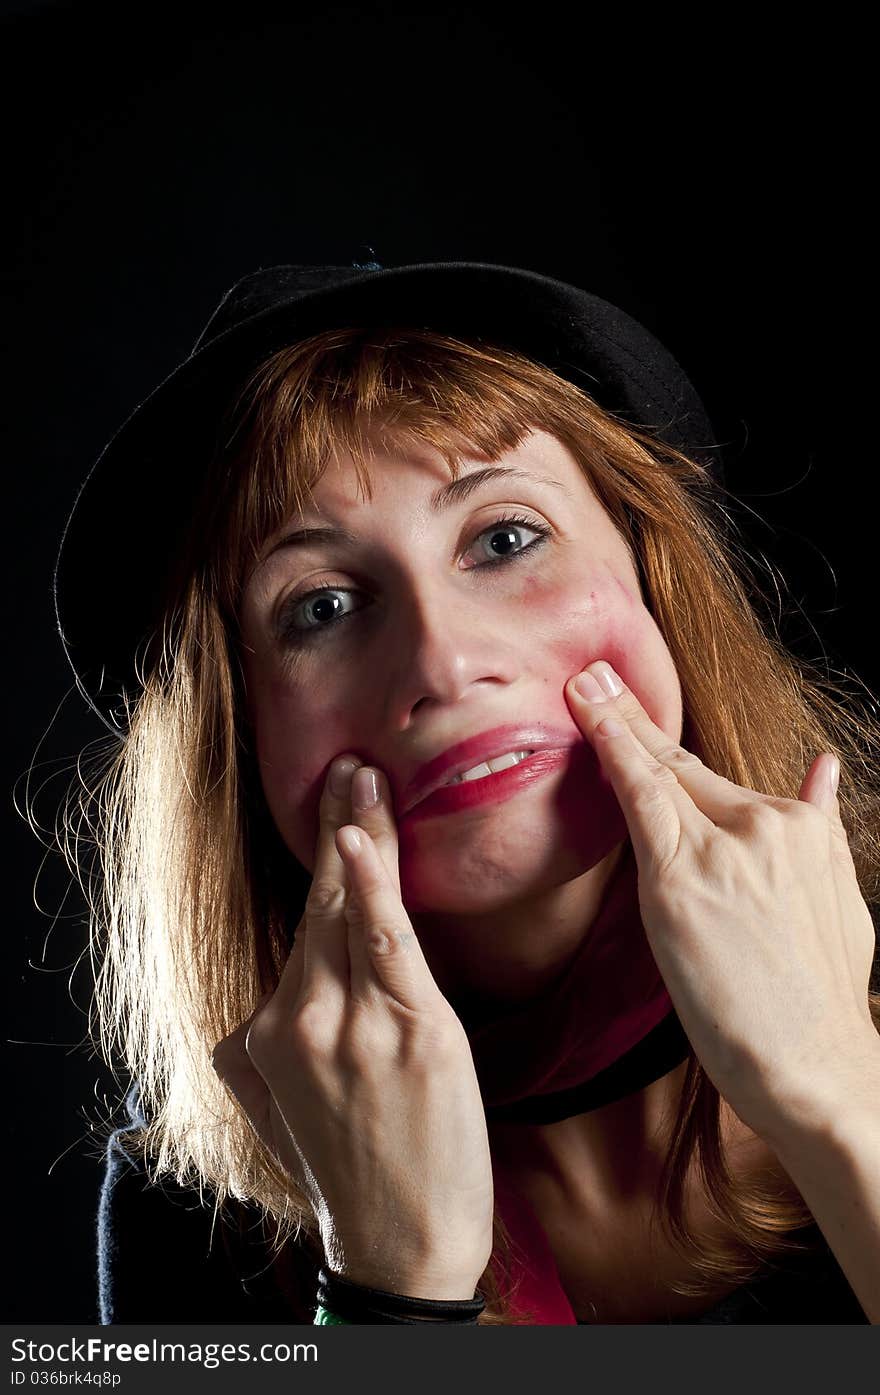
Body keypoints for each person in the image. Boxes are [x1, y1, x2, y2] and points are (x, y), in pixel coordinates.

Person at [51, 260, 880, 1326]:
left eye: (503, 539)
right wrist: (392, 1282)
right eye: (323, 607)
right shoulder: (195, 1212)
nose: (443, 666)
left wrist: (834, 1087)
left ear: (653, 576)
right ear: (239, 737)